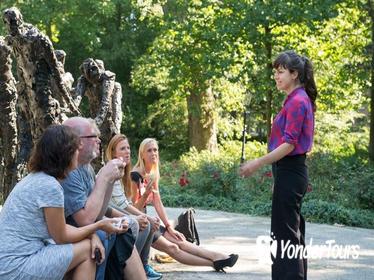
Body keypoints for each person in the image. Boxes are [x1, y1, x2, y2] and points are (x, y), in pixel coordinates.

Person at [0, 125, 124, 280]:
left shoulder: (36, 178)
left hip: (9, 261)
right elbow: (61, 236)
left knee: (84, 248)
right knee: (87, 251)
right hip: (17, 265)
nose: (78, 154)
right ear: (66, 153)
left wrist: (92, 235)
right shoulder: (50, 186)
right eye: (76, 150)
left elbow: (59, 228)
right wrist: (99, 226)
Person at [239, 50, 317, 280]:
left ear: (294, 74)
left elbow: (289, 145)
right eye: (275, 71)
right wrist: (277, 177)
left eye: (280, 71)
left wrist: (257, 163)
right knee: (289, 234)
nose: (276, 76)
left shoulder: (298, 101)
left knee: (286, 237)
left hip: (291, 171)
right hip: (288, 173)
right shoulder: (294, 99)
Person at [131, 138, 239, 272]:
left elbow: (158, 202)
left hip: (148, 223)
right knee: (173, 248)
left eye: (155, 150)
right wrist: (146, 195)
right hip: (138, 224)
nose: (153, 153)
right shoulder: (135, 176)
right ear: (142, 154)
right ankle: (212, 263)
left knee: (180, 241)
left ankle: (217, 257)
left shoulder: (152, 174)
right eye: (149, 150)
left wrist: (170, 227)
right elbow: (133, 209)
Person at [60, 117, 146, 280]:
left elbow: (98, 213)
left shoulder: (86, 167)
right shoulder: (69, 172)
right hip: (68, 236)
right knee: (105, 234)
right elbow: (84, 220)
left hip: (83, 229)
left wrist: (110, 181)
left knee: (124, 228)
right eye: (94, 136)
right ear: (78, 141)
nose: (99, 141)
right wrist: (104, 179)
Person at [105, 134, 163, 280]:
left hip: (118, 211)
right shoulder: (114, 169)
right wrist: (142, 216)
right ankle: (130, 268)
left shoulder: (123, 170)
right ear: (113, 153)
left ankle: (142, 266)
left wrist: (167, 224)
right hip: (109, 215)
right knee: (146, 223)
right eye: (122, 148)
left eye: (128, 148)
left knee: (148, 223)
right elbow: (121, 204)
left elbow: (127, 202)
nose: (127, 151)